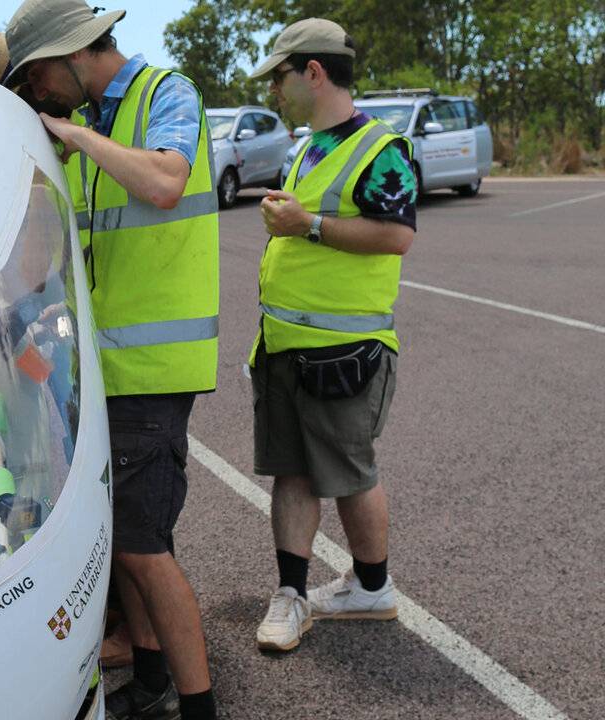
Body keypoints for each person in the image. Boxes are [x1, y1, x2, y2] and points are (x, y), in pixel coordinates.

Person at [3, 2, 220, 718]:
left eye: (37, 77)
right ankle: (153, 683)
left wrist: (74, 136)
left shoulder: (165, 94)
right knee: (124, 538)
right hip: (110, 372)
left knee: (144, 549)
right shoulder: (97, 124)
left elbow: (164, 182)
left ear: (71, 53)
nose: (39, 93)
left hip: (154, 372)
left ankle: (198, 704)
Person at [246, 19, 415, 653]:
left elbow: (396, 234)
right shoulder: (307, 146)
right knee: (290, 472)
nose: (275, 90)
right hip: (284, 344)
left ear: (313, 73)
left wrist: (308, 224)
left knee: (350, 473)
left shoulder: (381, 147)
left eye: (280, 77)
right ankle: (291, 594)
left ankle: (371, 587)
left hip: (345, 351)